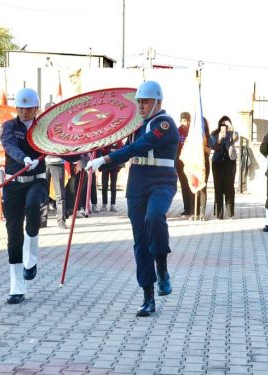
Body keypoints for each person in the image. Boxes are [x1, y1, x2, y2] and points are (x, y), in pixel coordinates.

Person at [85, 80, 178, 317]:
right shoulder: (137, 127)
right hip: (138, 184)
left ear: (158, 101)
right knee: (140, 242)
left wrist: (104, 160)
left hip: (161, 181)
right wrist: (95, 163)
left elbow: (140, 147)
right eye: (139, 102)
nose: (141, 106)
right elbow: (127, 154)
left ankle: (162, 269)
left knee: (155, 216)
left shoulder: (165, 124)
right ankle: (148, 296)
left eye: (145, 101)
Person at [0, 88, 48, 304]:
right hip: (13, 183)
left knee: (33, 207)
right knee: (14, 236)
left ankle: (31, 259)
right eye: (20, 107)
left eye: (28, 109)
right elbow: (8, 145)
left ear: (36, 108)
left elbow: (61, 144)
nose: (24, 112)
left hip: (37, 180)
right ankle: (17, 287)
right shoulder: (10, 126)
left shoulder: (43, 127)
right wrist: (24, 158)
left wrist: (79, 154)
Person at [209, 115, 239, 220]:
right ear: (219, 124)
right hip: (217, 163)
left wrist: (232, 127)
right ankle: (219, 213)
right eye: (223, 124)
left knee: (229, 187)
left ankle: (230, 213)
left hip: (230, 162)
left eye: (227, 124)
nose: (224, 126)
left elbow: (236, 137)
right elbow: (212, 146)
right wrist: (219, 139)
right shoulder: (214, 134)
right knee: (218, 187)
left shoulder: (232, 134)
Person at [191, 118, 211, 221]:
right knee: (194, 187)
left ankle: (202, 213)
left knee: (202, 188)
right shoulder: (192, 136)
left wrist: (201, 146)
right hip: (194, 165)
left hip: (204, 165)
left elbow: (209, 151)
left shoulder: (208, 136)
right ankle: (194, 212)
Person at [175, 112, 194, 217]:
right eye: (184, 120)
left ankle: (193, 208)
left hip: (191, 162)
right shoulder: (177, 132)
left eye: (188, 120)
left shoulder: (193, 132)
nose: (187, 123)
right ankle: (186, 208)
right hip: (180, 163)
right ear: (181, 121)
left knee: (191, 185)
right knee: (184, 186)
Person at [100, 140, 123, 212]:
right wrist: (110, 150)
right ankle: (104, 204)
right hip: (105, 165)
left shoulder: (118, 139)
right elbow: (101, 150)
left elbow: (120, 149)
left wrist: (110, 151)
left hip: (114, 165)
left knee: (113, 185)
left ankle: (113, 204)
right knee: (104, 185)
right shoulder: (105, 139)